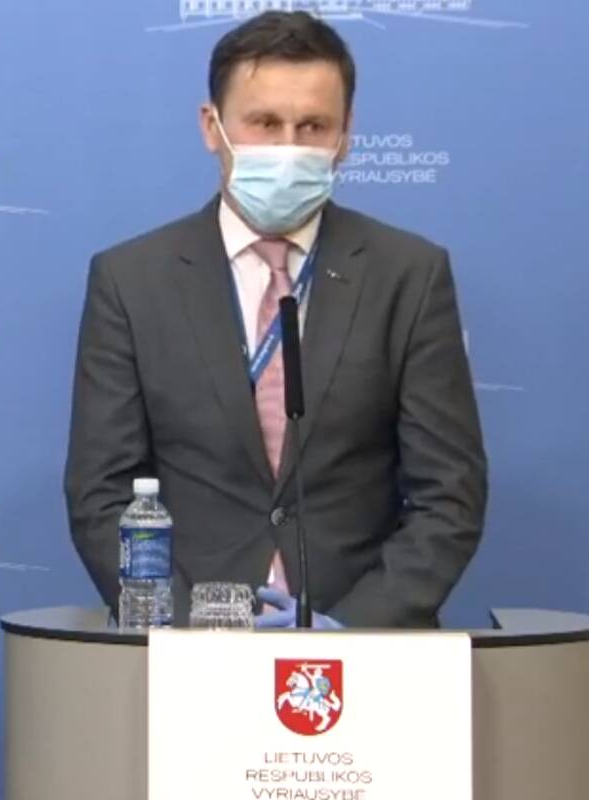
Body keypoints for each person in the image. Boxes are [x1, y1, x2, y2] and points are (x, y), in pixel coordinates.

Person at [63, 12, 486, 629]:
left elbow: (449, 496)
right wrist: (189, 630)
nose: (288, 148)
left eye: (313, 126)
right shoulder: (131, 280)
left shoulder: (409, 275)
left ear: (346, 135)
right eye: (264, 123)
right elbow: (102, 494)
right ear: (212, 127)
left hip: (364, 648)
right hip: (188, 645)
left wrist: (351, 634)